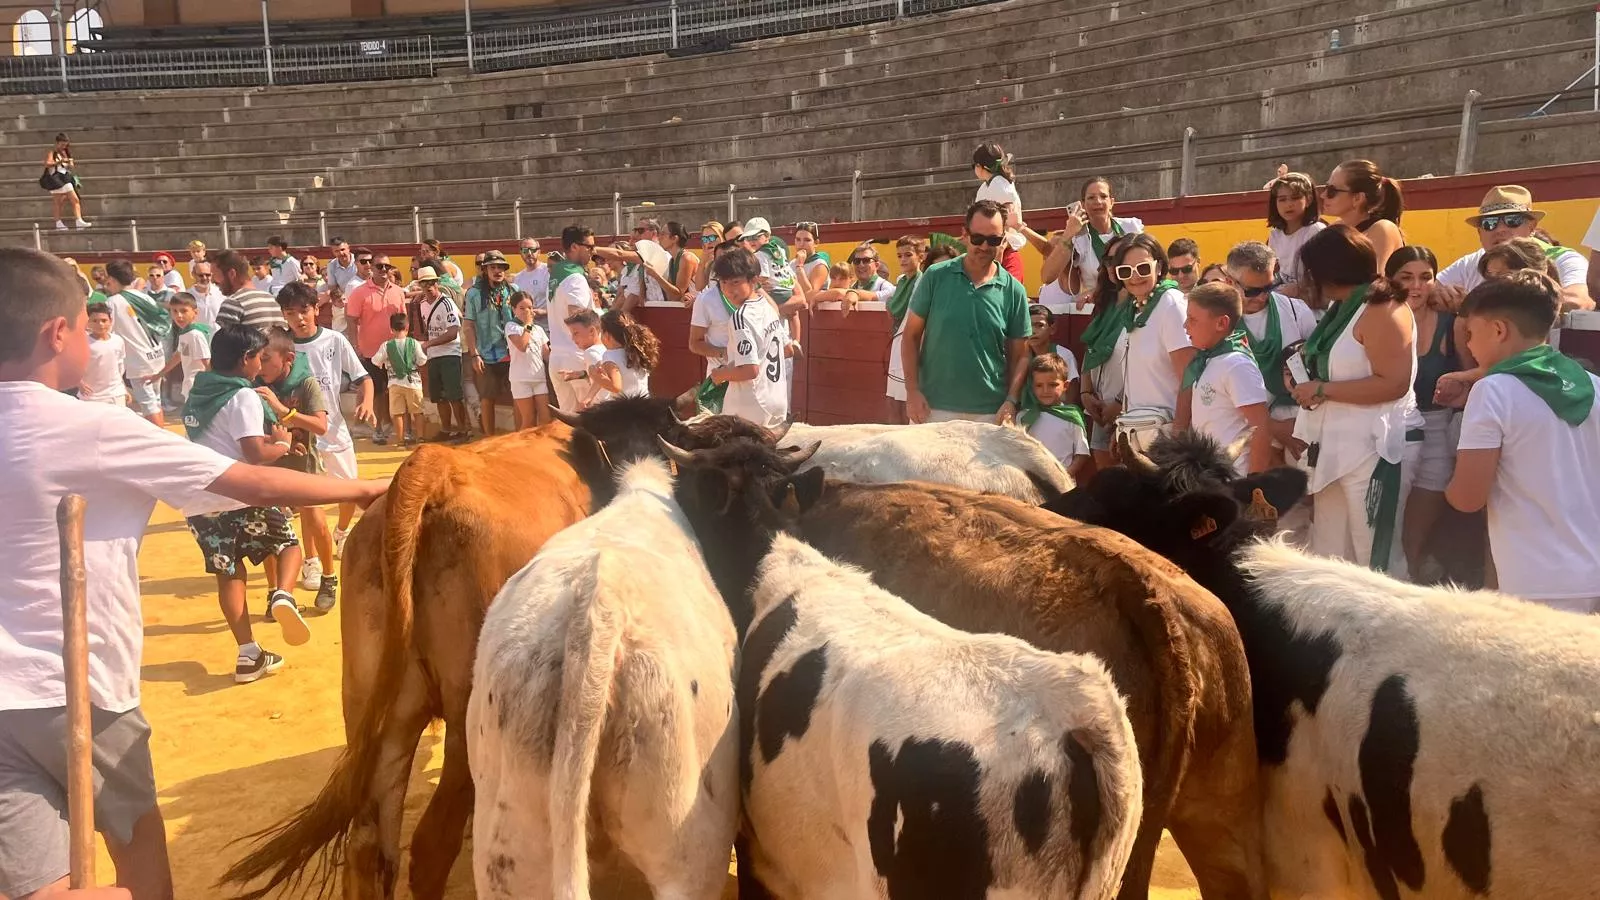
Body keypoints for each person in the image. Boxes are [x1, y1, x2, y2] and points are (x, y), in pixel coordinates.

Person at [0, 247, 386, 900]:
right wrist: (367, 491)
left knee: (41, 885)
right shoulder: (94, 426)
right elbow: (249, 482)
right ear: (57, 334)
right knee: (137, 842)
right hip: (78, 687)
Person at [1443, 271, 1600, 612]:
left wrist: (1448, 486)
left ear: (1499, 330)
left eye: (1470, 333)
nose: (1468, 345)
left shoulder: (1492, 391)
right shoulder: (1594, 385)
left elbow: (1467, 498)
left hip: (1537, 582)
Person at [179, 323, 319, 684]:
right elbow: (254, 453)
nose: (261, 363)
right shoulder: (242, 396)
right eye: (259, 356)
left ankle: (248, 654)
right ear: (246, 359)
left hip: (200, 501)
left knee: (229, 573)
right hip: (241, 492)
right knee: (289, 547)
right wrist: (283, 444)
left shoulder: (199, 391)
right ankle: (283, 595)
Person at [1290, 224, 1422, 577]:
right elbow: (1333, 370)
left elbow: (1393, 384)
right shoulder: (1341, 307)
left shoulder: (1382, 308)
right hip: (1332, 449)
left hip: (1372, 451)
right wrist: (1303, 382)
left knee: (1375, 560)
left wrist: (1321, 389)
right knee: (1330, 556)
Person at [1383, 245, 1472, 577]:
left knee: (1414, 536)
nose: (1416, 286)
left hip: (1437, 430)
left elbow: (1478, 372)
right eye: (1406, 277)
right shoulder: (1377, 320)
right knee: (1387, 526)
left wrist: (1459, 381)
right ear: (1389, 280)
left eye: (1425, 277)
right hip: (1390, 429)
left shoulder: (1453, 324)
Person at [902, 199, 1031, 425]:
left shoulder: (1014, 290)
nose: (984, 246)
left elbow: (1019, 356)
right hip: (932, 408)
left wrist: (1011, 400)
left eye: (993, 239)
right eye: (978, 238)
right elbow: (910, 336)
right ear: (965, 234)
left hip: (990, 413)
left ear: (1003, 240)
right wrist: (912, 392)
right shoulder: (935, 276)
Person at [276, 281, 376, 560]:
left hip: (334, 431)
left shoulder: (334, 340)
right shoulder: (280, 345)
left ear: (316, 309)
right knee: (309, 502)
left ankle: (341, 532)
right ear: (283, 315)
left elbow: (363, 378)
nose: (298, 318)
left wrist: (366, 401)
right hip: (299, 435)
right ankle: (311, 560)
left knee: (349, 491)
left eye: (303, 310)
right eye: (290, 312)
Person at [254, 326, 338, 611]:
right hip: (271, 464)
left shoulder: (306, 384)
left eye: (266, 359)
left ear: (287, 358)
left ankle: (328, 576)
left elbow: (321, 426)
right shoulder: (253, 383)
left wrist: (283, 410)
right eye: (257, 357)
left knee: (316, 522)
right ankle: (273, 591)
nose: (260, 364)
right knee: (268, 529)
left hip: (305, 466)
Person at [1225, 241, 1318, 467]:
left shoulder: (1297, 311)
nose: (1262, 297)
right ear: (1230, 282)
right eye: (1252, 291)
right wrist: (1274, 428)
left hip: (1296, 429)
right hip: (1239, 439)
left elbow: (1314, 372)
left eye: (1269, 287)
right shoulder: (1216, 321)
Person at [1435, 186, 1594, 312]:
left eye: (1512, 220)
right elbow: (1426, 288)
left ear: (1532, 227)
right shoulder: (1472, 262)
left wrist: (1477, 305)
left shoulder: (1564, 259)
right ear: (1479, 233)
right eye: (1489, 223)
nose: (1500, 229)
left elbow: (1578, 302)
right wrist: (1443, 296)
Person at [1181, 282, 1274, 474]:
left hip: (1234, 479)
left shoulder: (1237, 365)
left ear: (1221, 323)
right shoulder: (1206, 362)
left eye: (1192, 319)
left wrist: (1253, 486)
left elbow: (1261, 428)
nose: (1185, 325)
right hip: (1210, 479)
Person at [708, 248, 791, 428]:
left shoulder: (740, 317)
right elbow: (784, 350)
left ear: (753, 280)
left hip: (750, 407)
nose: (728, 289)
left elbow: (750, 370)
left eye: (735, 282)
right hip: (776, 399)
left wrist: (720, 374)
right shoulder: (768, 307)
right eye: (723, 282)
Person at [1039, 175, 1145, 303]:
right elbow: (1047, 277)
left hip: (1133, 302)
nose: (1098, 201)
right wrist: (1068, 233)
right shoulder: (1078, 238)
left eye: (1103, 196)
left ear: (1112, 202)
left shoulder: (1130, 227)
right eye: (1091, 197)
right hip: (1101, 306)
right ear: (1083, 204)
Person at [345, 256, 408, 444]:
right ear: (371, 267)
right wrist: (355, 346)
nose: (383, 269)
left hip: (395, 350)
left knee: (395, 389)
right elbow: (351, 319)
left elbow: (403, 318)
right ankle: (378, 428)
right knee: (378, 392)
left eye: (386, 266)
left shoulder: (398, 292)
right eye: (379, 266)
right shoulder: (359, 292)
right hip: (370, 351)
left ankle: (392, 426)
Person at [103, 260, 171, 426]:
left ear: (111, 279)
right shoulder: (144, 297)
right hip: (156, 354)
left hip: (139, 361)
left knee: (149, 405)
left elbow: (107, 333)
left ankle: (159, 443)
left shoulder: (112, 303)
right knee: (155, 401)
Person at [462, 249, 518, 435]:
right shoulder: (474, 294)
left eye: (501, 267)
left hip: (512, 352)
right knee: (487, 397)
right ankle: (489, 438)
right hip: (486, 353)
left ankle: (519, 437)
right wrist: (474, 354)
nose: (497, 271)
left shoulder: (514, 290)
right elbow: (469, 326)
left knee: (519, 395)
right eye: (492, 267)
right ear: (484, 270)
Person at [547, 226, 599, 412]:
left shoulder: (557, 274)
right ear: (575, 246)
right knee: (591, 416)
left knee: (568, 422)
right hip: (576, 355)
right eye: (590, 247)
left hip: (558, 355)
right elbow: (577, 317)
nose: (593, 252)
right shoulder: (575, 278)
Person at [413, 266, 468, 442]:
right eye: (424, 283)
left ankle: (463, 429)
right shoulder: (421, 305)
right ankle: (446, 429)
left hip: (450, 353)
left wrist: (428, 343)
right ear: (420, 285)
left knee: (454, 394)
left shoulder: (447, 303)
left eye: (431, 282)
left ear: (437, 283)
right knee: (438, 395)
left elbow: (453, 332)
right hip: (433, 354)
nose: (428, 286)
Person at [1319, 159, 1404, 271]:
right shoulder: (1336, 228)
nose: (1323, 195)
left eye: (1332, 191)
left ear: (1357, 198)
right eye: (1326, 187)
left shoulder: (1382, 229)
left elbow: (1373, 281)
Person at [1022, 353, 1091, 479]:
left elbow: (1082, 453)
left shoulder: (1072, 417)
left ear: (1065, 386)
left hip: (1063, 484)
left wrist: (1065, 476)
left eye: (1052, 385)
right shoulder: (1024, 417)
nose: (1045, 391)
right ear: (1032, 388)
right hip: (1032, 483)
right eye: (1039, 385)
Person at [884, 236, 930, 423]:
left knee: (908, 399)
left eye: (908, 255)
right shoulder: (901, 281)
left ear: (921, 257)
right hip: (897, 343)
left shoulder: (923, 282)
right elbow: (883, 299)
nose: (903, 260)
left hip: (912, 344)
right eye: (899, 255)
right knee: (893, 400)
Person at [972, 141, 1027, 282]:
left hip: (1005, 250)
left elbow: (1009, 220)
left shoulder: (1000, 185)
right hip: (988, 252)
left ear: (980, 166)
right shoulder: (986, 187)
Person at [1265, 171, 1326, 296]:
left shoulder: (1316, 231)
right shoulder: (1275, 235)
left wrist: (1301, 289)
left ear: (1308, 200)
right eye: (1282, 199)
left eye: (1295, 198)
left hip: (1311, 299)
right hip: (1283, 295)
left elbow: (1324, 277)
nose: (1289, 204)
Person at [370, 313, 425, 447]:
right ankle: (421, 438)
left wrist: (384, 363)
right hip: (413, 383)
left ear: (392, 329)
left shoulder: (386, 345)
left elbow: (375, 360)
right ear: (407, 328)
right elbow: (422, 360)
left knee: (397, 413)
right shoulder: (414, 343)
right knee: (417, 411)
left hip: (394, 383)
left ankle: (400, 440)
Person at [586, 309, 658, 405]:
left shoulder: (609, 356)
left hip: (625, 407)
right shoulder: (635, 352)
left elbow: (616, 387)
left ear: (607, 335)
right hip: (645, 404)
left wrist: (595, 377)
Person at [504, 291, 550, 430]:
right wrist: (528, 325)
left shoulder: (539, 329)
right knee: (528, 419)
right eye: (522, 308)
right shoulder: (511, 326)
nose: (526, 311)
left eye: (529, 307)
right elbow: (522, 346)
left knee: (546, 418)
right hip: (521, 379)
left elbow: (546, 354)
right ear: (514, 309)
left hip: (539, 378)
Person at [212, 249, 286, 335]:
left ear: (232, 274)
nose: (213, 280)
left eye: (215, 274)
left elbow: (226, 345)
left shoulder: (234, 303)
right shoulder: (271, 300)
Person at [156, 292, 211, 402]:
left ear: (195, 312)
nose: (179, 315)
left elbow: (207, 363)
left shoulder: (195, 335)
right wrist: (158, 375)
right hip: (190, 386)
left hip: (198, 388)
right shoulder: (185, 333)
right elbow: (180, 355)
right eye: (174, 311)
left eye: (184, 311)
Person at [554, 308, 607, 409]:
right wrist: (582, 374)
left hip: (601, 407)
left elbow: (602, 376)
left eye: (576, 333)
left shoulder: (591, 353)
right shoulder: (603, 349)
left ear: (592, 331)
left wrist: (588, 398)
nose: (573, 339)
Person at [1025, 304, 1079, 400]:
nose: (1033, 331)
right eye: (1028, 326)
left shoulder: (1063, 355)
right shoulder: (1020, 357)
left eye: (1039, 325)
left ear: (1052, 329)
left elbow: (1072, 396)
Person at [79, 301, 127, 406]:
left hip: (115, 394)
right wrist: (80, 384)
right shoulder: (83, 342)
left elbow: (119, 367)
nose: (100, 324)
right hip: (91, 395)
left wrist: (123, 389)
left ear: (111, 321)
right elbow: (73, 366)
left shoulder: (118, 340)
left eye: (104, 320)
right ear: (88, 322)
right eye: (95, 321)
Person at [42, 132, 91, 230]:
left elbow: (71, 165)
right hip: (57, 179)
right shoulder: (52, 152)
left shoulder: (66, 152)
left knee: (67, 201)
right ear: (57, 143)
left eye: (65, 145)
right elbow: (47, 164)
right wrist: (59, 162)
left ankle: (74, 221)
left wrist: (69, 162)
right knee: (61, 202)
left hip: (65, 178)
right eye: (62, 144)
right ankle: (63, 222)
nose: (63, 147)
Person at [513, 237, 549, 324]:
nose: (529, 253)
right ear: (521, 253)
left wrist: (545, 312)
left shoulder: (549, 271)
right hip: (529, 330)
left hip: (550, 329)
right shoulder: (517, 279)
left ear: (539, 252)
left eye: (533, 250)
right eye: (525, 250)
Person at [792, 221, 831, 292]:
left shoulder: (820, 264)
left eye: (807, 240)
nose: (801, 244)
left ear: (816, 243)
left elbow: (810, 293)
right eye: (798, 240)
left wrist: (799, 267)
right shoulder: (792, 263)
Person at [189, 259, 224, 328]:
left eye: (207, 275)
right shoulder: (187, 296)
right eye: (201, 275)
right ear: (193, 275)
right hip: (198, 337)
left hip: (219, 337)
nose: (204, 278)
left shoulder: (221, 293)